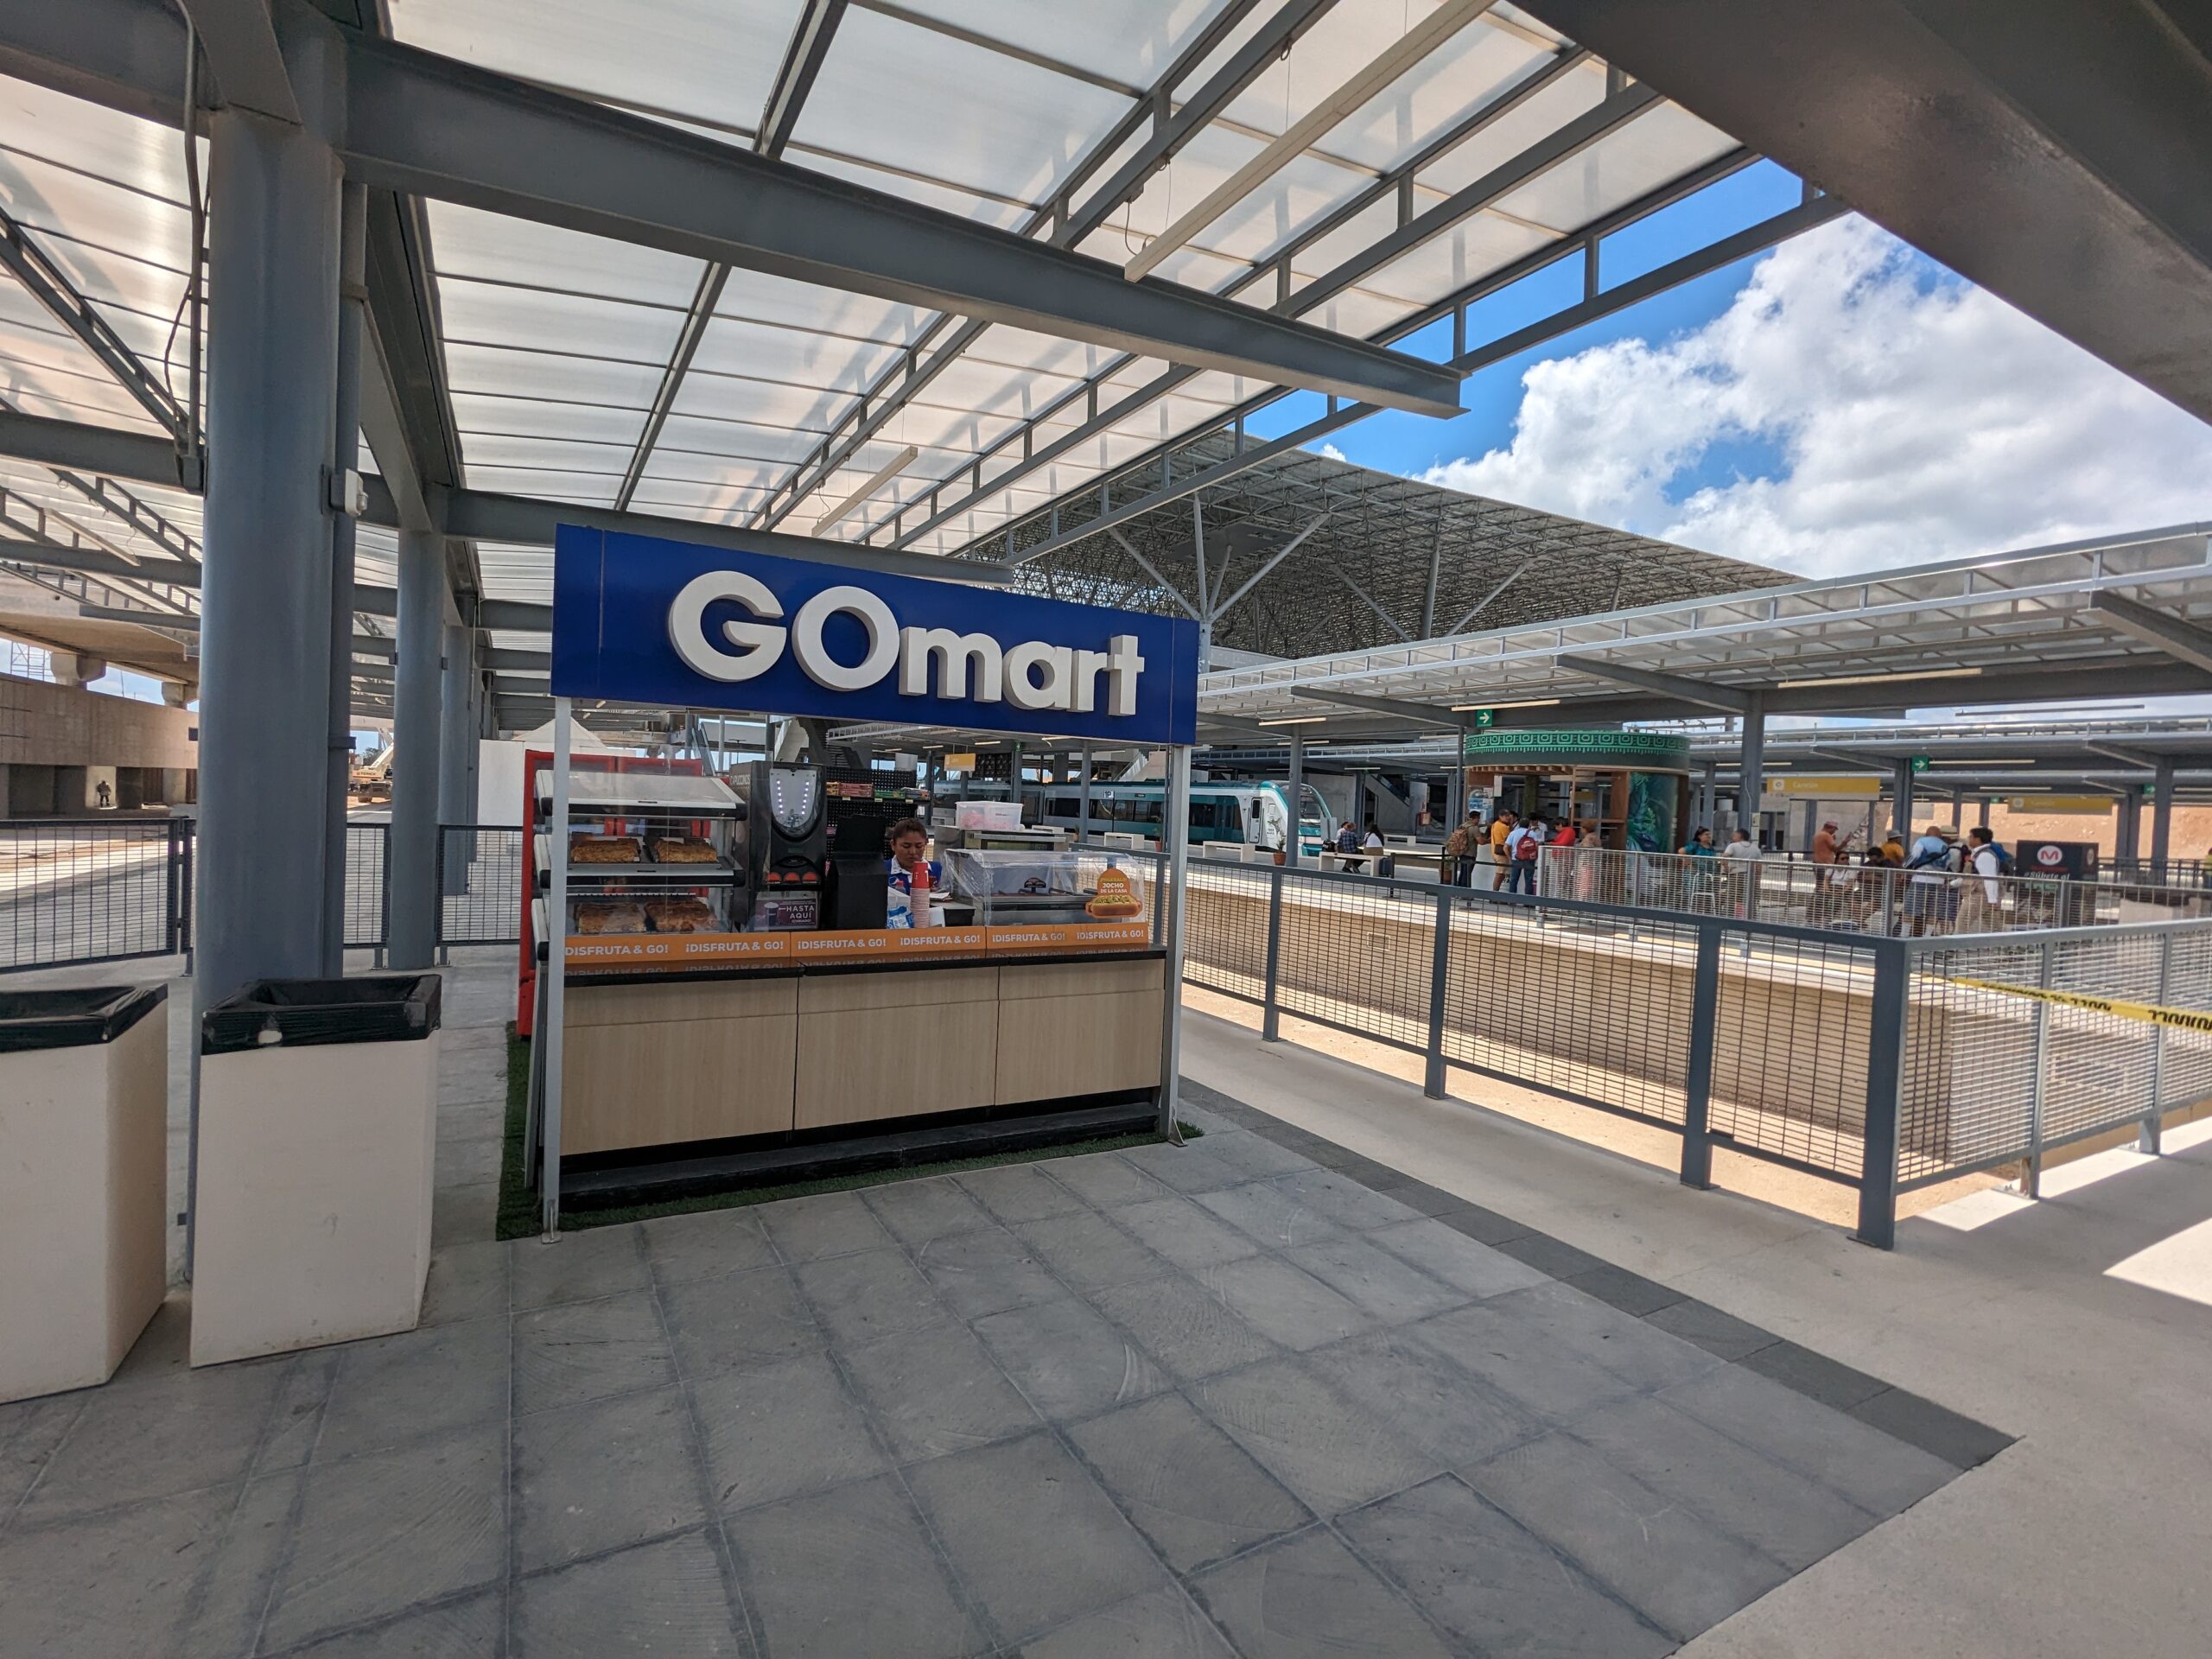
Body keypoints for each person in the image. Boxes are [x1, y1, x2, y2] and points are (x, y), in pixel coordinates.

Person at [886, 817, 942, 926]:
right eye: (906, 846)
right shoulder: (882, 871)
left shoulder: (938, 870)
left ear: (926, 844)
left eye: (919, 846)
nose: (912, 852)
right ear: (893, 845)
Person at [1903, 822, 1950, 936]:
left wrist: (1904, 868)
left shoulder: (1922, 842)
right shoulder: (1945, 846)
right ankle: (1927, 936)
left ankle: (1904, 935)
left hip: (1921, 879)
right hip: (1939, 881)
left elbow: (1915, 856)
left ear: (1926, 834)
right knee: (1933, 911)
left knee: (1910, 908)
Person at [1960, 825, 2005, 933]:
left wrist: (1992, 900)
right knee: (1996, 926)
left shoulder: (1985, 855)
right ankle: (2010, 945)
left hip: (1979, 895)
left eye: (1971, 836)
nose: (1968, 839)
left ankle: (1955, 947)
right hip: (1983, 896)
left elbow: (1989, 878)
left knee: (1962, 921)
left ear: (1978, 839)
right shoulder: (1979, 854)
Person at [1505, 815, 1543, 893]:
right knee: (1529, 880)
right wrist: (1536, 857)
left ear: (1519, 824)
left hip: (1516, 859)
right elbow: (1536, 846)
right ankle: (1527, 903)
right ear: (1528, 824)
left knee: (1513, 880)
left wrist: (1509, 858)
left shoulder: (1513, 833)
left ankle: (1512, 900)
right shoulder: (1532, 833)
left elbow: (1505, 847)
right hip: (1529, 859)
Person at [1442, 806, 1480, 886]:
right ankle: (1465, 893)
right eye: (1478, 818)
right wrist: (1489, 840)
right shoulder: (1474, 828)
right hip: (1470, 853)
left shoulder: (1463, 825)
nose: (1479, 820)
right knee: (1467, 874)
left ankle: (1459, 890)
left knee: (1463, 872)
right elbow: (1481, 841)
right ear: (1475, 818)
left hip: (1462, 851)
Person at [1489, 810, 1517, 889]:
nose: (1508, 818)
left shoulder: (1495, 824)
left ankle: (1495, 894)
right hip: (1502, 853)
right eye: (1506, 816)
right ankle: (1495, 895)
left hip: (1495, 851)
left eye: (1509, 816)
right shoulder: (1503, 826)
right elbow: (1509, 838)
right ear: (1501, 816)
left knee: (1501, 874)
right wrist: (1511, 823)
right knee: (1500, 874)